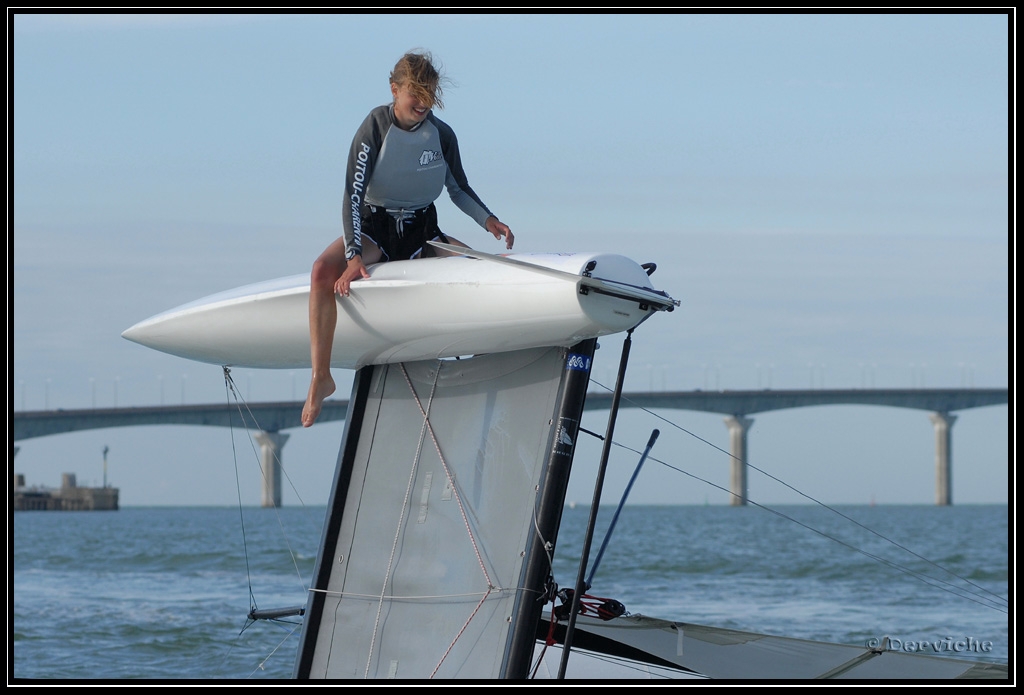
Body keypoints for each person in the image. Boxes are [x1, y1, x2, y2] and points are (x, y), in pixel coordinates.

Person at [302, 50, 514, 427]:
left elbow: (459, 189)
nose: (423, 102)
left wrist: (489, 220)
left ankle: (487, 365)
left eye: (429, 93)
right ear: (394, 89)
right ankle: (321, 376)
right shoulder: (375, 127)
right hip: (375, 228)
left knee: (479, 269)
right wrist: (354, 256)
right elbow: (353, 194)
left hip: (422, 230)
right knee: (321, 270)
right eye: (416, 93)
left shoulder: (441, 134)